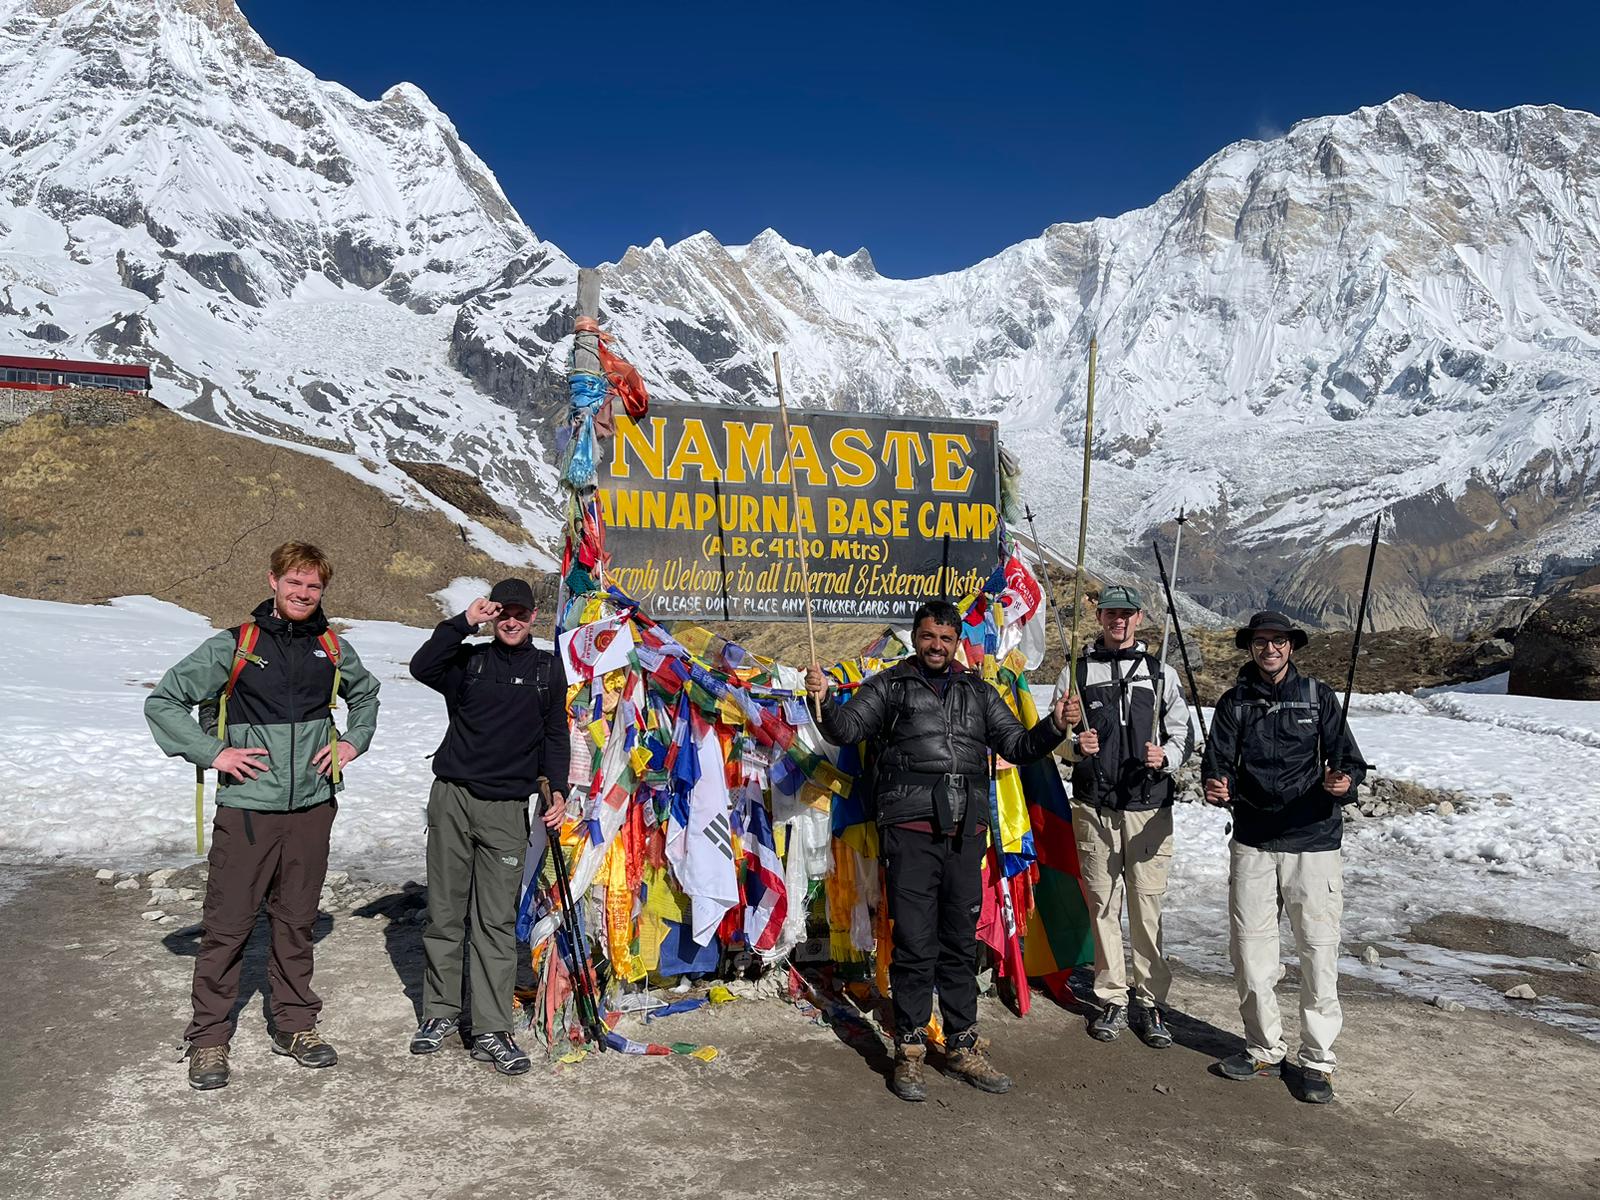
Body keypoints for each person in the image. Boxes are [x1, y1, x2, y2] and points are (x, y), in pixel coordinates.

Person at [806, 599, 1071, 1102]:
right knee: (914, 939)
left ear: (955, 643)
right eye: (929, 637)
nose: (938, 646)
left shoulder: (978, 690)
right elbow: (846, 730)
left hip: (965, 830)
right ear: (916, 636)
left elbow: (1017, 746)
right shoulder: (888, 685)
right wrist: (820, 701)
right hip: (908, 828)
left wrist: (1054, 726)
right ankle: (907, 1049)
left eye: (947, 639)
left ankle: (961, 1043)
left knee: (958, 938)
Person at [145, 542, 381, 1091]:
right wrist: (214, 753)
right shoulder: (235, 645)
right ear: (272, 581)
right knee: (227, 926)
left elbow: (366, 697)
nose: (303, 593)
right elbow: (164, 701)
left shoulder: (332, 647)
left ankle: (295, 1026)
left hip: (312, 809)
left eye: (314, 586)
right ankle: (208, 1038)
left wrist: (351, 744)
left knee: (296, 922)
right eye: (294, 582)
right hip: (248, 809)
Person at [1200, 610, 1365, 1105]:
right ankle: (1263, 1048)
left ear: (1291, 646)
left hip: (1313, 843)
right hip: (1252, 840)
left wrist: (1345, 782)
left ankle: (1316, 1060)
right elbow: (1216, 761)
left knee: (1317, 951)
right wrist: (1214, 785)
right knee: (1251, 952)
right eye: (1260, 641)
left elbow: (1349, 760)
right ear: (1250, 647)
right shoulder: (1234, 702)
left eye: (1278, 641)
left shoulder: (1319, 697)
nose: (1269, 649)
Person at [406, 578, 569, 1075]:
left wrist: (555, 788)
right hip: (452, 797)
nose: (512, 622)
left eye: (520, 613)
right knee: (445, 911)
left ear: (534, 616)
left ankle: (492, 1029)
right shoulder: (470, 662)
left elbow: (554, 734)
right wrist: (464, 621)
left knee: (495, 921)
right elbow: (422, 665)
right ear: (493, 614)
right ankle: (439, 1013)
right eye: (503, 613)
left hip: (505, 809)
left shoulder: (547, 670)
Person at [1054, 584, 1192, 1047]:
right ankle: (1112, 995)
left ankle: (1150, 1002)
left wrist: (1165, 758)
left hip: (1148, 807)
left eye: (1127, 614)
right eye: (1111, 613)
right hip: (1094, 806)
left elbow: (1184, 736)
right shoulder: (1075, 673)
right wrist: (1076, 746)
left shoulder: (1160, 674)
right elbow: (1056, 736)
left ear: (1139, 618)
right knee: (1103, 904)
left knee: (1146, 906)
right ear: (1100, 617)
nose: (1119, 621)